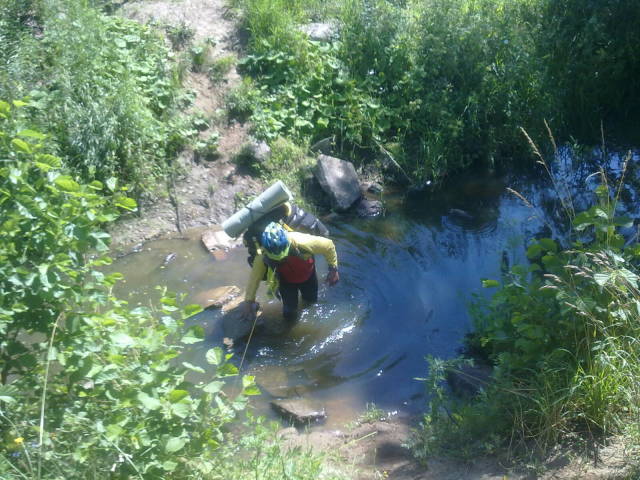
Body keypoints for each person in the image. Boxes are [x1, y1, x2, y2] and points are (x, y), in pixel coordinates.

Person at [240, 221, 339, 323]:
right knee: (289, 313)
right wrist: (248, 301)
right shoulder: (262, 256)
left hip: (308, 276)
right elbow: (254, 279)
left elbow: (329, 246)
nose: (280, 260)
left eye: (283, 257)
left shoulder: (302, 241)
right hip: (286, 282)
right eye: (276, 259)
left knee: (311, 303)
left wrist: (333, 269)